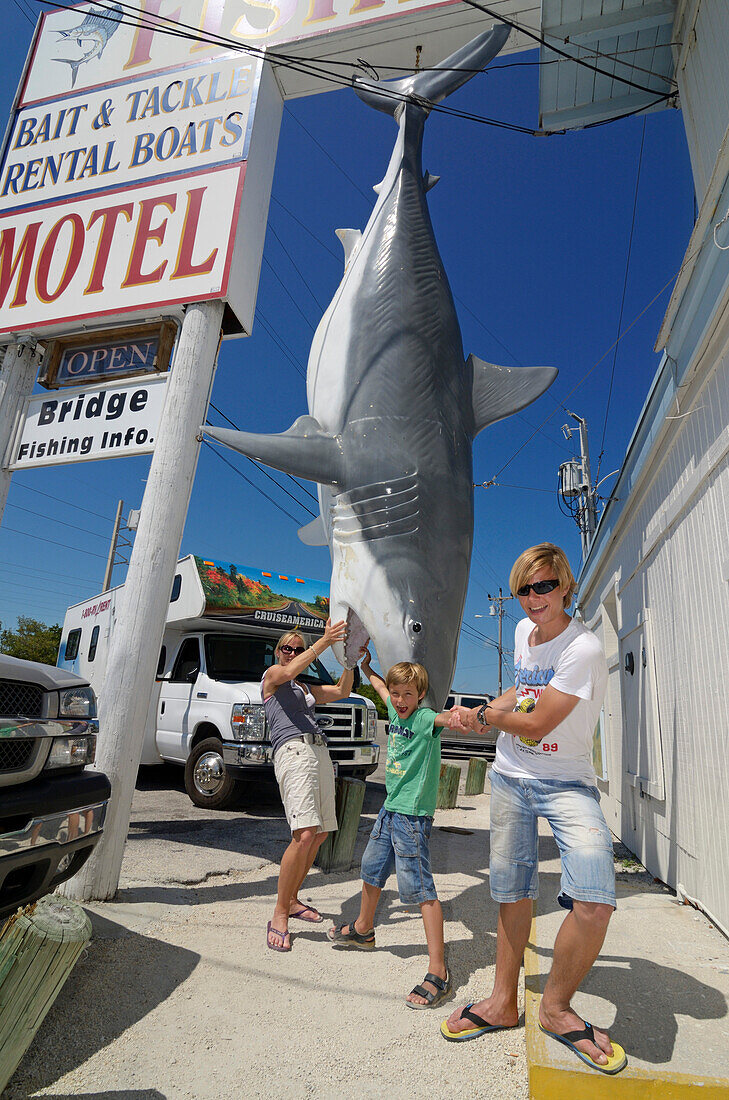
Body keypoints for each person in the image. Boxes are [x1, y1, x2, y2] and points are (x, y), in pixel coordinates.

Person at [442, 543, 626, 1076]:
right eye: (524, 589)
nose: (533, 599)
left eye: (544, 586)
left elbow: (538, 722)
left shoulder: (583, 649)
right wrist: (483, 712)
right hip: (510, 779)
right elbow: (522, 694)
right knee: (513, 889)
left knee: (594, 901)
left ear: (565, 584)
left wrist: (484, 716)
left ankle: (555, 1008)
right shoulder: (524, 633)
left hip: (566, 783)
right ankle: (502, 1002)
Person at [328, 651, 453, 1009]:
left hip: (412, 816)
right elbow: (381, 688)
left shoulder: (426, 717)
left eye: (408, 695)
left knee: (419, 889)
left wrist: (468, 718)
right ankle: (364, 929)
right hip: (390, 809)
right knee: (371, 869)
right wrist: (367, 669)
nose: (399, 700)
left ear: (420, 695)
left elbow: (446, 719)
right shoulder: (394, 706)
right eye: (397, 694)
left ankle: (437, 969)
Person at [263, 619, 353, 952]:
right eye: (288, 648)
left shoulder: (305, 688)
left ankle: (293, 899)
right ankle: (279, 913)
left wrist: (350, 659)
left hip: (318, 752)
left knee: (320, 833)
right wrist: (324, 642)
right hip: (293, 751)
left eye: (298, 650)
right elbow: (285, 673)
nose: (293, 653)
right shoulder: (272, 677)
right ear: (278, 652)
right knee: (303, 834)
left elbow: (343, 691)